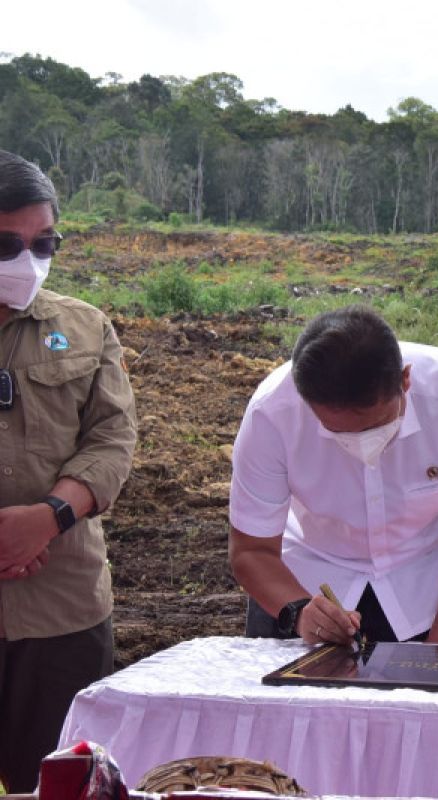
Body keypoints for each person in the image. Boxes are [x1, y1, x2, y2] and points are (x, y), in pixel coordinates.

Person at [229, 305, 438, 648]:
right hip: (305, 582)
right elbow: (251, 549)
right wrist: (298, 612)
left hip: (426, 592)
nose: (360, 444)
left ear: (405, 380)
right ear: (307, 401)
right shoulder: (272, 413)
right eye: (337, 431)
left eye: (375, 426)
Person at [0, 151, 138, 793]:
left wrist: (47, 519)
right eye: (7, 244)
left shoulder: (85, 328)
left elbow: (111, 438)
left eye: (43, 242)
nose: (27, 259)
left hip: (63, 610)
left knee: (59, 783)